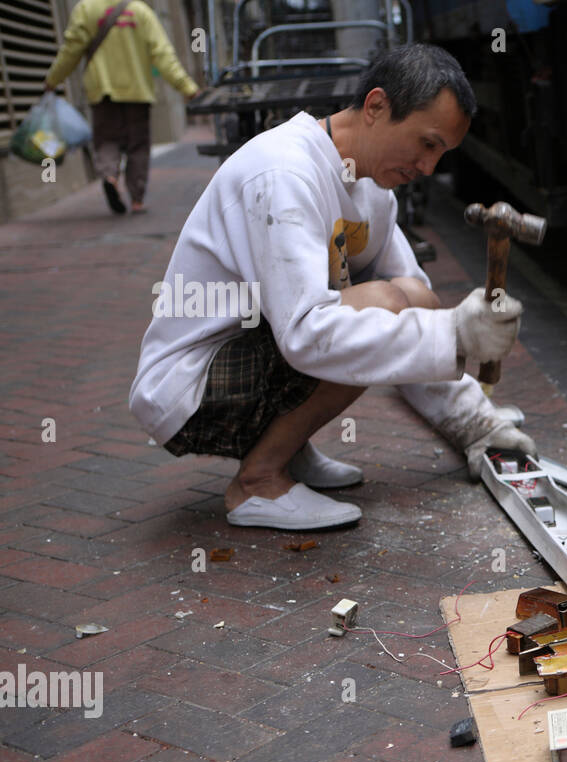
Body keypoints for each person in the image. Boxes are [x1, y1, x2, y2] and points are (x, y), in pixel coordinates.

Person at [128, 43, 535, 531]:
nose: (429, 168)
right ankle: (257, 481)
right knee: (381, 305)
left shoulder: (373, 190)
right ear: (376, 106)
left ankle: (288, 451)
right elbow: (306, 334)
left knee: (413, 298)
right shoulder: (284, 172)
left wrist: (475, 421)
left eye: (441, 153)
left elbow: (420, 312)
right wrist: (457, 336)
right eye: (426, 144)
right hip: (189, 388)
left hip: (256, 355)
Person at [44, 0, 200, 215]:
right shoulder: (140, 11)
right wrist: (187, 87)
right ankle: (136, 200)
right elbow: (163, 54)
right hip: (138, 91)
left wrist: (53, 79)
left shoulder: (86, 9)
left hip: (102, 91)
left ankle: (110, 176)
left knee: (107, 140)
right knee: (138, 145)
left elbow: (71, 50)